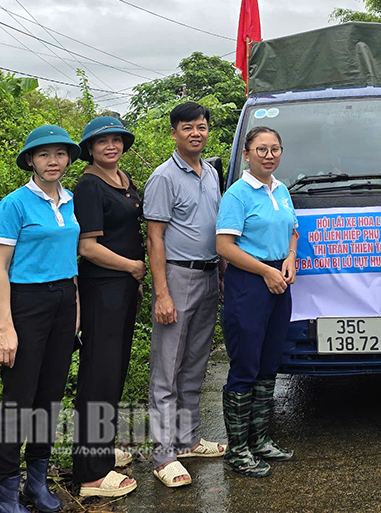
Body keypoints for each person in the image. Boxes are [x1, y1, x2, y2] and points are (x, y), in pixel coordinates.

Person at [0, 125, 81, 513]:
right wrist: (6, 328)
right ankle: (5, 494)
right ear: (31, 160)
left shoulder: (72, 200)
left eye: (60, 154)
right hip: (26, 303)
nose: (53, 161)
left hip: (63, 301)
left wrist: (75, 311)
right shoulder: (15, 204)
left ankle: (36, 483)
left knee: (50, 398)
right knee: (18, 400)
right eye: (44, 154)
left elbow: (71, 263)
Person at [143, 102, 226, 488]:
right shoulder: (163, 177)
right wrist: (162, 294)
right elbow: (154, 237)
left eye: (202, 127)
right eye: (188, 127)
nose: (196, 133)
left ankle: (188, 438)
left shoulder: (210, 172)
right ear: (175, 132)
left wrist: (223, 275)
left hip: (209, 274)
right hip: (177, 277)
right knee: (167, 370)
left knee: (194, 364)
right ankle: (163, 455)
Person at [216, 126, 298, 478]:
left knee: (268, 364)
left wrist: (291, 257)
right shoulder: (237, 194)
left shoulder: (280, 189)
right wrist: (266, 271)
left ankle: (260, 439)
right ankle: (238, 450)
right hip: (249, 283)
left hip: (279, 280)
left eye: (275, 148)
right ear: (247, 154)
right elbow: (224, 246)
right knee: (245, 365)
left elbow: (293, 229)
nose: (268, 155)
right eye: (261, 149)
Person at [71, 116, 141, 499]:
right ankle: (91, 474)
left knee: (113, 373)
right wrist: (132, 266)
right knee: (99, 375)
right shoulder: (88, 185)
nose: (110, 146)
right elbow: (88, 247)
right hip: (103, 290)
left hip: (124, 290)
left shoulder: (124, 179)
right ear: (90, 148)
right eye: (102, 142)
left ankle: (100, 449)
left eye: (116, 140)